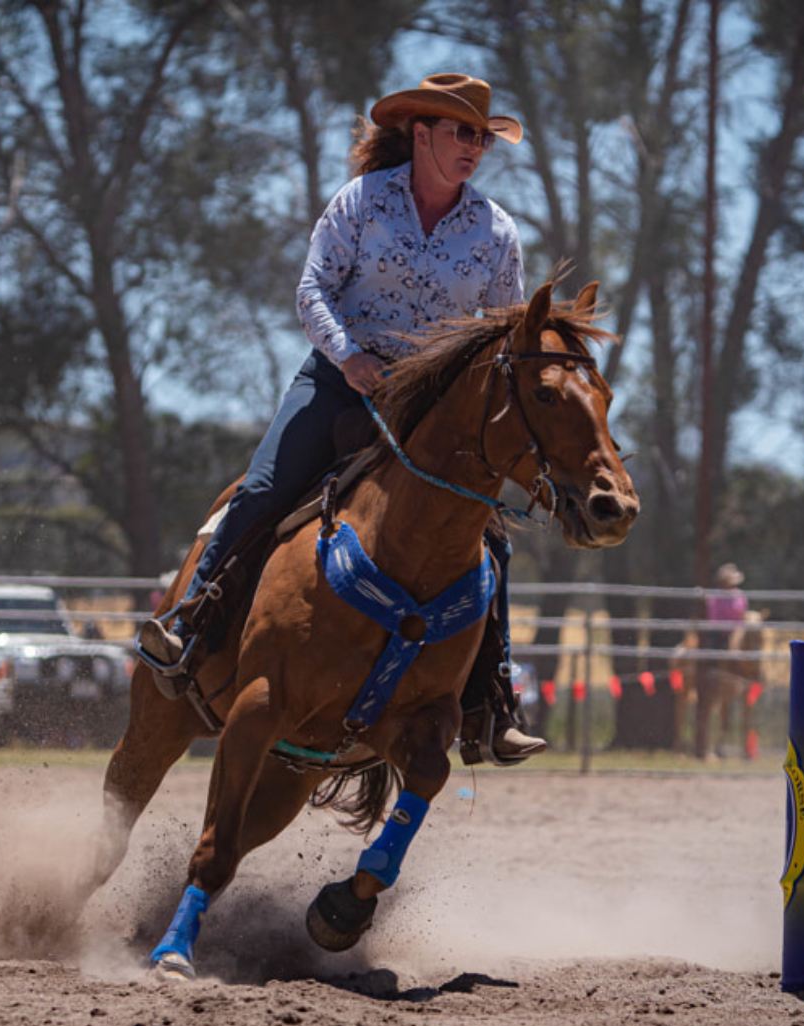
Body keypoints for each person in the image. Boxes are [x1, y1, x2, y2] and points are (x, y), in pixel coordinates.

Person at [138, 73, 545, 761]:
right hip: (337, 383)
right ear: (422, 134)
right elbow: (312, 290)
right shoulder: (362, 201)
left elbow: (503, 333)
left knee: (492, 543)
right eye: (462, 131)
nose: (476, 146)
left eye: (482, 135)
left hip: (427, 415)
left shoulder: (496, 231)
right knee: (266, 489)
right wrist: (350, 355)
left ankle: (491, 702)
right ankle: (190, 621)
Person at [706, 563, 748, 651]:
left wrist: (739, 628)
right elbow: (714, 617)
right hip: (721, 632)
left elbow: (743, 614)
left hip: (738, 631)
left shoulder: (739, 594)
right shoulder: (715, 596)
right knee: (714, 646)